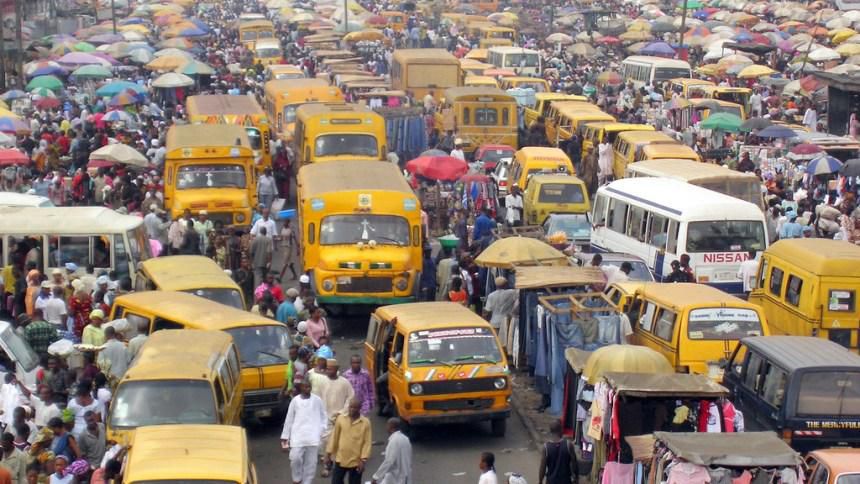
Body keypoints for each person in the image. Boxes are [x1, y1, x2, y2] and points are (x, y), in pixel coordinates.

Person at [281, 381, 327, 484]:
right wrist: (285, 436)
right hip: (298, 437)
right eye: (305, 387)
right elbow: (289, 418)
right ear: (300, 388)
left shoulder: (317, 400)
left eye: (309, 387)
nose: (307, 389)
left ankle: (307, 482)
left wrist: (322, 430)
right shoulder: (295, 401)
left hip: (313, 437)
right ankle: (297, 479)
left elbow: (324, 416)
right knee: (295, 458)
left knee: (311, 464)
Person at [320, 359, 355, 476]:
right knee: (326, 442)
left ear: (336, 369)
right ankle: (327, 464)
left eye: (330, 369)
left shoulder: (344, 382)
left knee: (339, 442)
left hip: (340, 417)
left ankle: (335, 466)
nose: (328, 371)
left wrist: (342, 412)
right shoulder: (323, 382)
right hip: (326, 417)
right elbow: (317, 399)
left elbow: (351, 398)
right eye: (327, 369)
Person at [325, 398, 372, 484]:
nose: (352, 410)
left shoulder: (365, 423)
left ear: (359, 408)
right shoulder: (341, 419)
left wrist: (363, 460)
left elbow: (367, 442)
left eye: (355, 408)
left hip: (356, 461)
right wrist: (328, 454)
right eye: (350, 407)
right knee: (336, 482)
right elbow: (334, 437)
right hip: (340, 459)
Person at [371, 418, 412, 484]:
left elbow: (389, 461)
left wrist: (376, 477)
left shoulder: (394, 441)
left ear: (391, 427)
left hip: (397, 476)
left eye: (387, 425)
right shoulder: (405, 438)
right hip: (405, 474)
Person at [538, 420, 576, 484]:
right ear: (561, 430)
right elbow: (574, 464)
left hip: (551, 481)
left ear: (550, 431)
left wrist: (540, 481)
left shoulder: (546, 447)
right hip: (566, 481)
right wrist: (575, 477)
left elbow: (542, 468)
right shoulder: (568, 445)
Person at [483, 277, 517, 346]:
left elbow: (487, 311)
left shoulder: (491, 296)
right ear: (506, 284)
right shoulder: (512, 293)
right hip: (506, 322)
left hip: (494, 323)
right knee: (506, 343)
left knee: (495, 344)